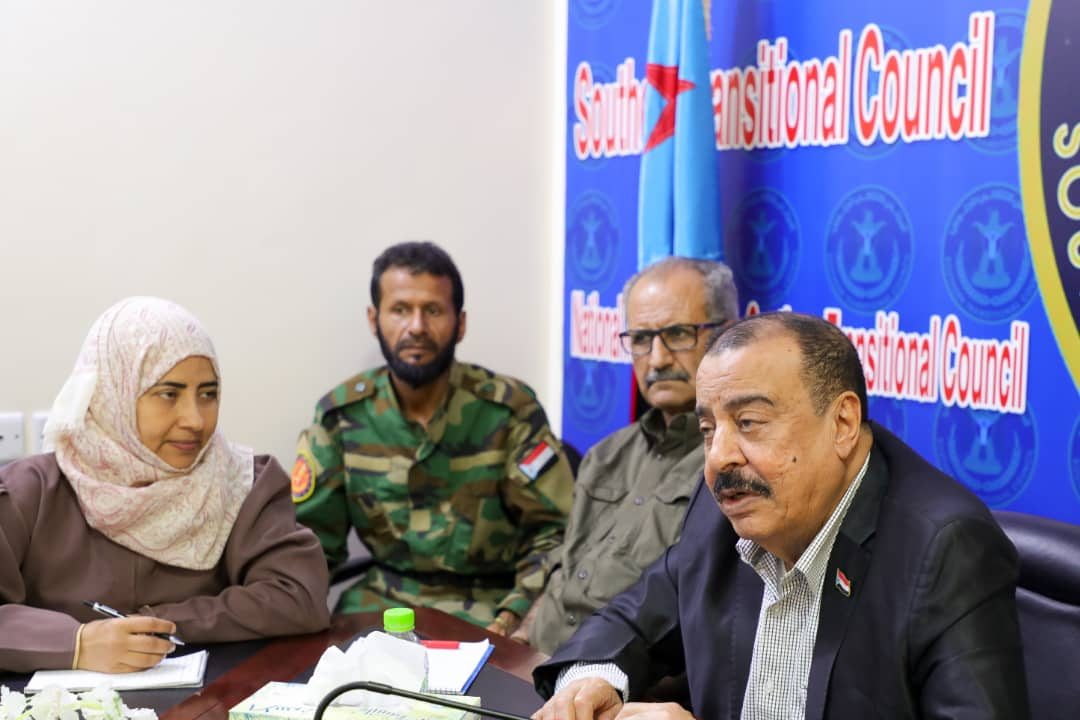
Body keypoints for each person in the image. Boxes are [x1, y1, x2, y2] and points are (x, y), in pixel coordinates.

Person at [533, 312, 1029, 719]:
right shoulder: (729, 505)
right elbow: (636, 615)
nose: (719, 457)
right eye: (708, 430)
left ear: (842, 423)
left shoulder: (944, 549)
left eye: (749, 422)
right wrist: (592, 681)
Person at [0, 297, 330, 674]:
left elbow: (298, 597)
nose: (195, 420)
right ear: (112, 394)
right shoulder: (29, 493)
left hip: (212, 699)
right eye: (169, 394)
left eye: (208, 394)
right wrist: (76, 643)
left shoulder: (243, 483)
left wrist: (157, 624)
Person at [292, 241, 573, 636]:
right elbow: (311, 544)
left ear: (461, 323)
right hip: (380, 603)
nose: (417, 327)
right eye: (400, 310)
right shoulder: (341, 417)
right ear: (374, 320)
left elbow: (553, 536)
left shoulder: (509, 411)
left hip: (492, 607)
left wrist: (513, 620)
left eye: (434, 310)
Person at [515, 257, 737, 655]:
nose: (657, 359)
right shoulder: (606, 454)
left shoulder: (734, 465)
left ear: (727, 335)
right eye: (640, 339)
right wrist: (514, 642)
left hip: (614, 677)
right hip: (535, 659)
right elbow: (564, 570)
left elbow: (703, 626)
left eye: (678, 334)